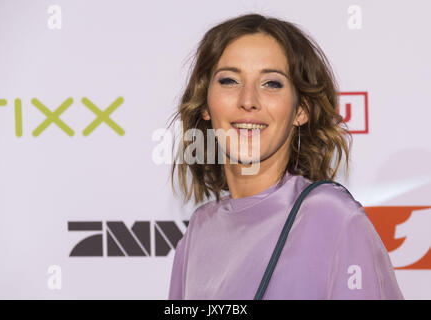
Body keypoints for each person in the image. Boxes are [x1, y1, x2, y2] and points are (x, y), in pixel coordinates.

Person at [166, 13, 404, 299]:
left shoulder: (333, 218)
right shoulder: (199, 231)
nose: (248, 100)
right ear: (206, 104)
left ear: (301, 109)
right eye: (229, 81)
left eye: (272, 83)